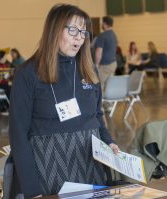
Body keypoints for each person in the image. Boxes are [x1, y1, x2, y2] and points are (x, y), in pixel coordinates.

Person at [9, 4, 119, 198]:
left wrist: (109, 143)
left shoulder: (90, 71)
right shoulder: (27, 74)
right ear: (54, 30)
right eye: (73, 30)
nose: (79, 37)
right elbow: (18, 134)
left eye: (83, 32)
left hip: (90, 170)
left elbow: (97, 117)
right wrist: (32, 190)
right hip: (47, 174)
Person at [94, 16, 118, 90]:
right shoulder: (114, 35)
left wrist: (96, 65)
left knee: (98, 86)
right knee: (109, 86)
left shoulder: (102, 36)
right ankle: (108, 101)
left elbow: (98, 52)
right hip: (113, 64)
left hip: (105, 66)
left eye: (102, 23)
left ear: (104, 24)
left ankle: (100, 101)